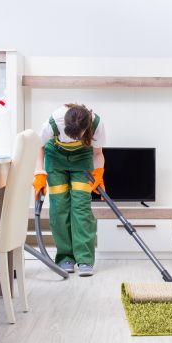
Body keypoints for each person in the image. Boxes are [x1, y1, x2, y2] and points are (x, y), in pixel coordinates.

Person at [33, 103, 106, 277]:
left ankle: (85, 259)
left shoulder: (96, 124)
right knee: (59, 208)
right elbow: (39, 145)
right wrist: (39, 172)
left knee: (81, 207)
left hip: (82, 159)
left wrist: (99, 172)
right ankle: (65, 257)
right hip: (55, 158)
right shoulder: (55, 121)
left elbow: (97, 153)